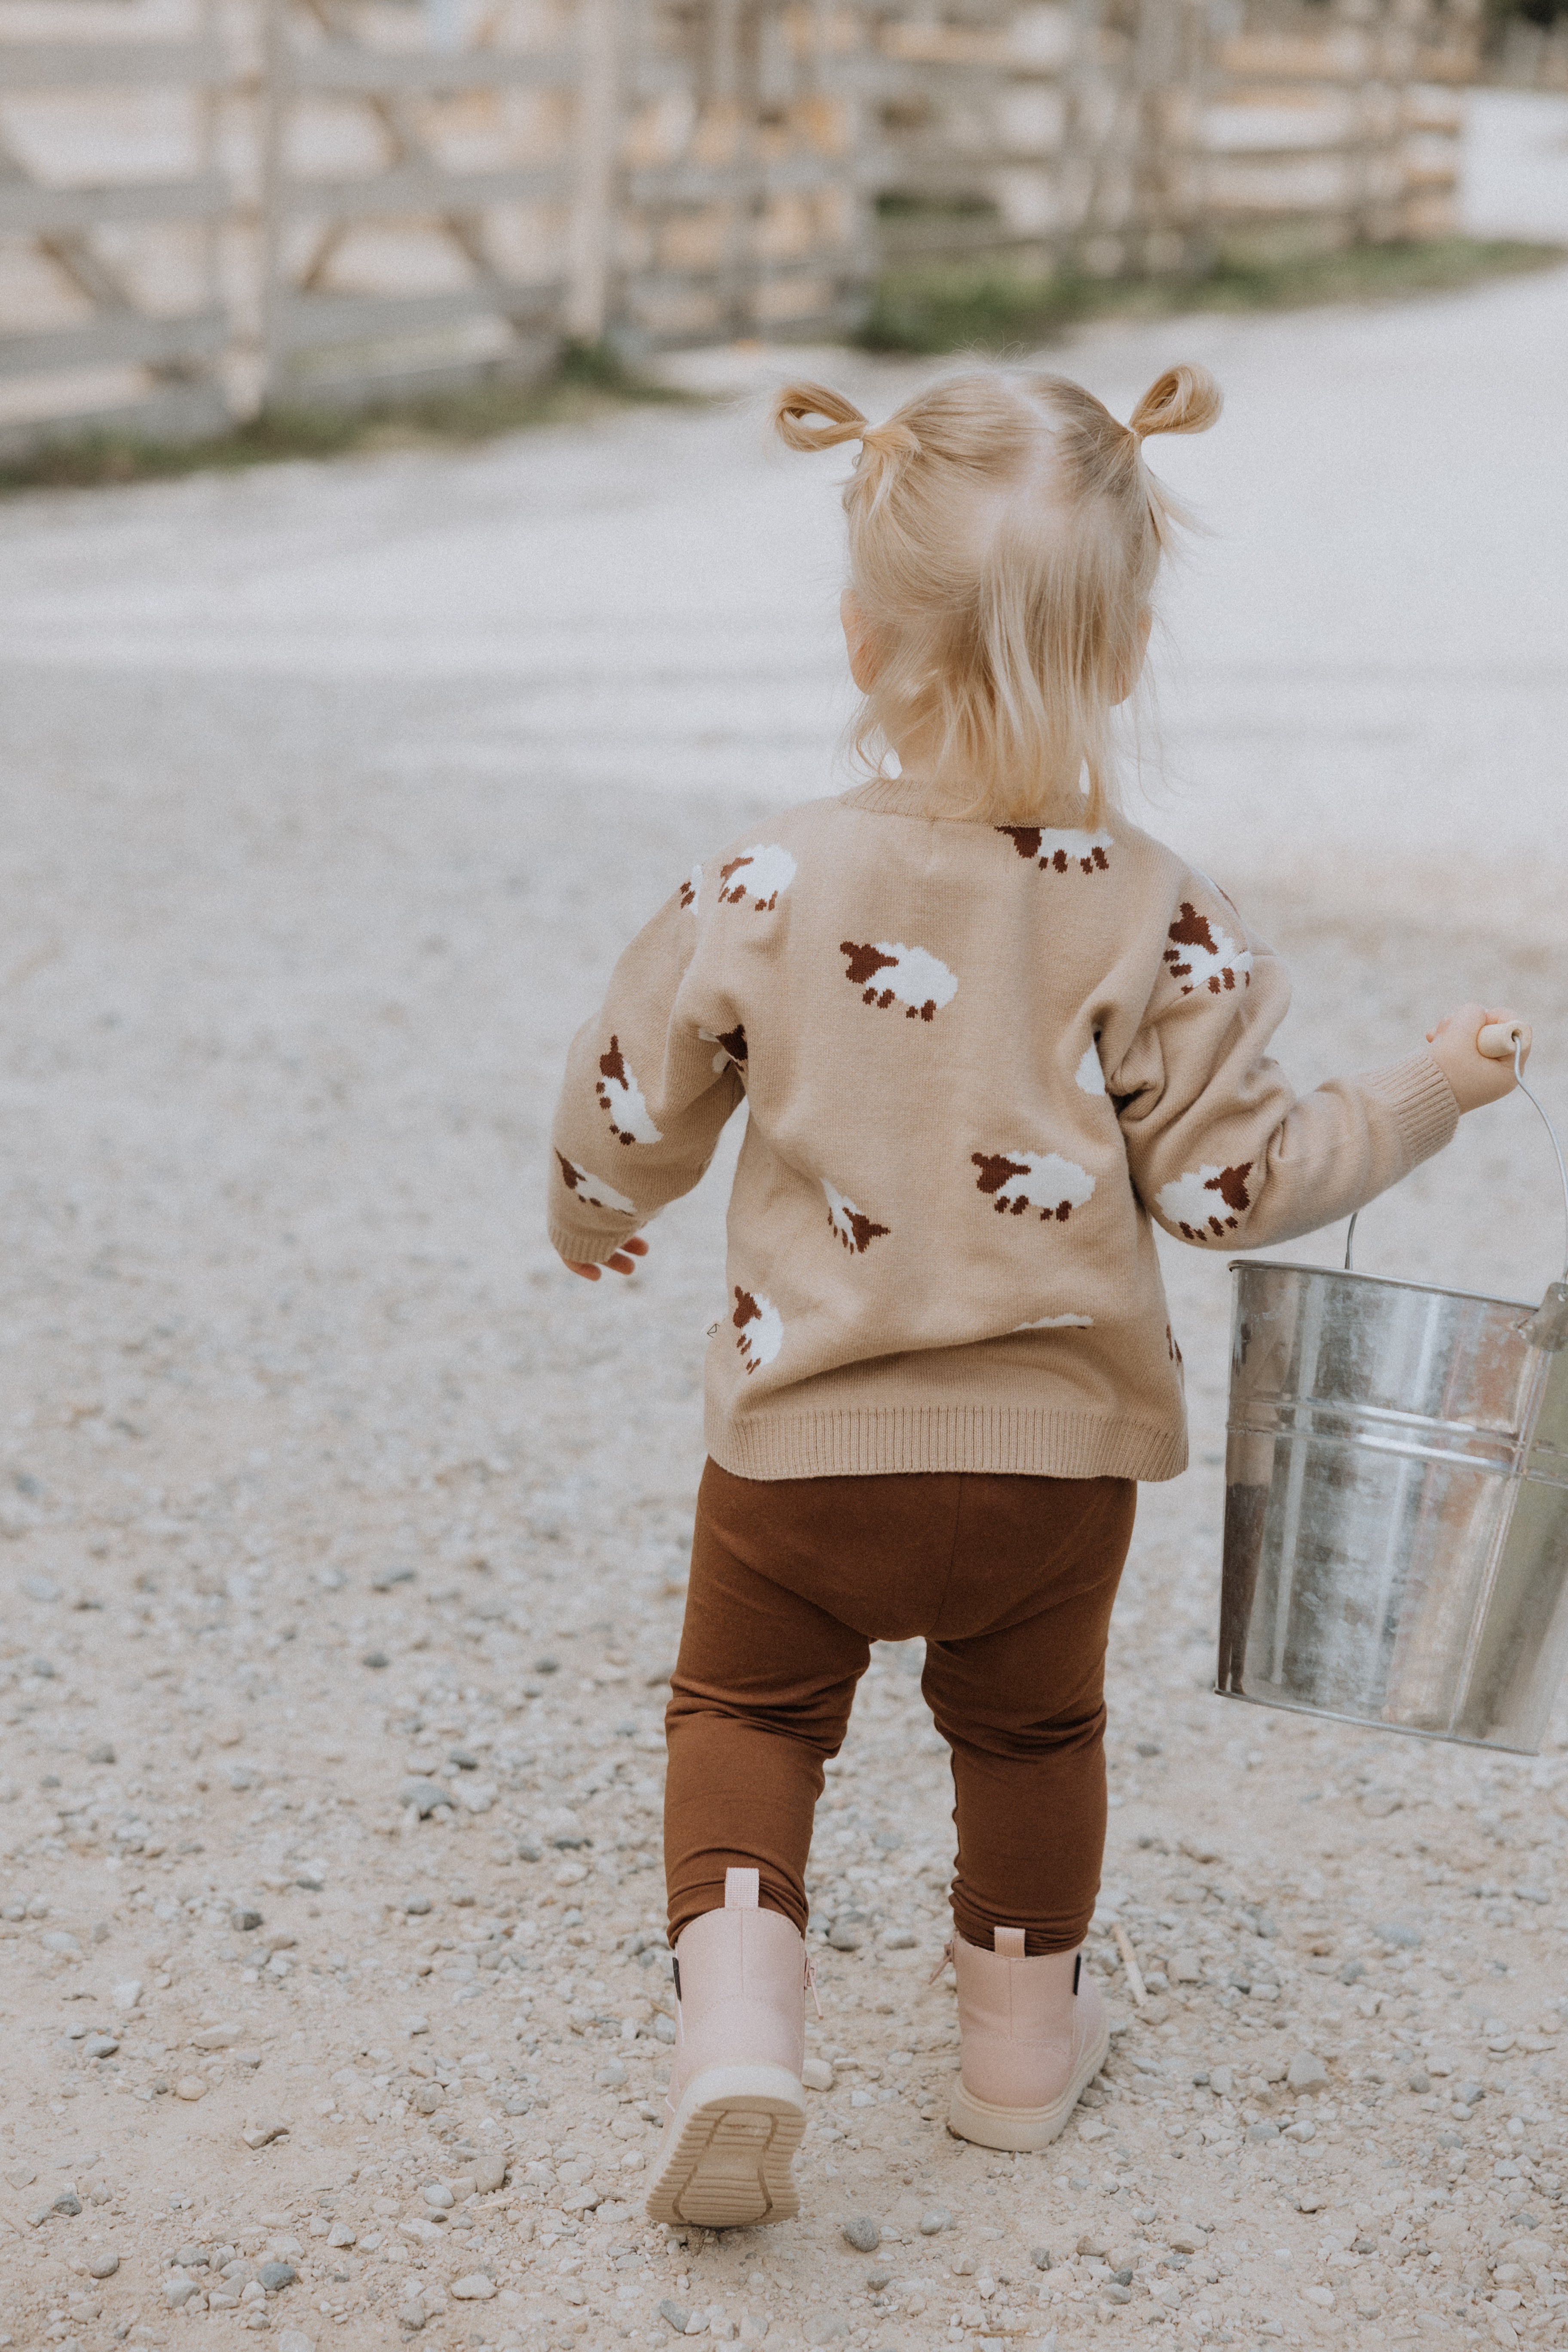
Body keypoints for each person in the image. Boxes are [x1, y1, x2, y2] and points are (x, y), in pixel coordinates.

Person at [545, 364, 1528, 2230]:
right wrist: (1433, 1087)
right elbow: (1244, 1185)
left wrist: (590, 1211)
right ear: (1133, 647)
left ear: (857, 631)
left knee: (747, 1716)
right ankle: (1014, 2051)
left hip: (797, 1459)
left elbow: (628, 1091)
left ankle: (744, 2025)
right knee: (1029, 1736)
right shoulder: (1161, 911)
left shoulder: (763, 880)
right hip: (1047, 1477)